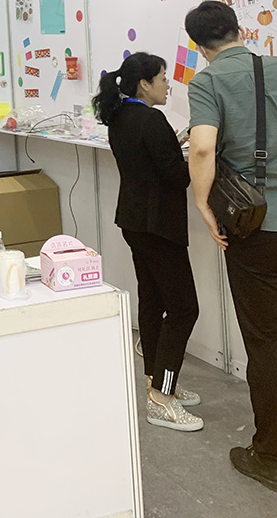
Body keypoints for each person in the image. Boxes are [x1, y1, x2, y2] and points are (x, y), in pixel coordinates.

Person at [186, 0, 277, 495]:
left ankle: (271, 456)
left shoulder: (207, 82)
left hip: (256, 230)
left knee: (265, 342)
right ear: (240, 29)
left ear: (199, 46)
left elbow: (202, 146)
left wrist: (203, 204)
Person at [92, 52, 202, 433]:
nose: (168, 85)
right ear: (145, 84)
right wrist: (200, 156)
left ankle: (157, 381)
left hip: (135, 221)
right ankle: (162, 397)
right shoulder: (152, 121)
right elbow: (175, 177)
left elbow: (150, 159)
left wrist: (175, 144)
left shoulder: (119, 116)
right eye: (163, 78)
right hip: (159, 227)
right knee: (184, 309)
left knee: (153, 301)